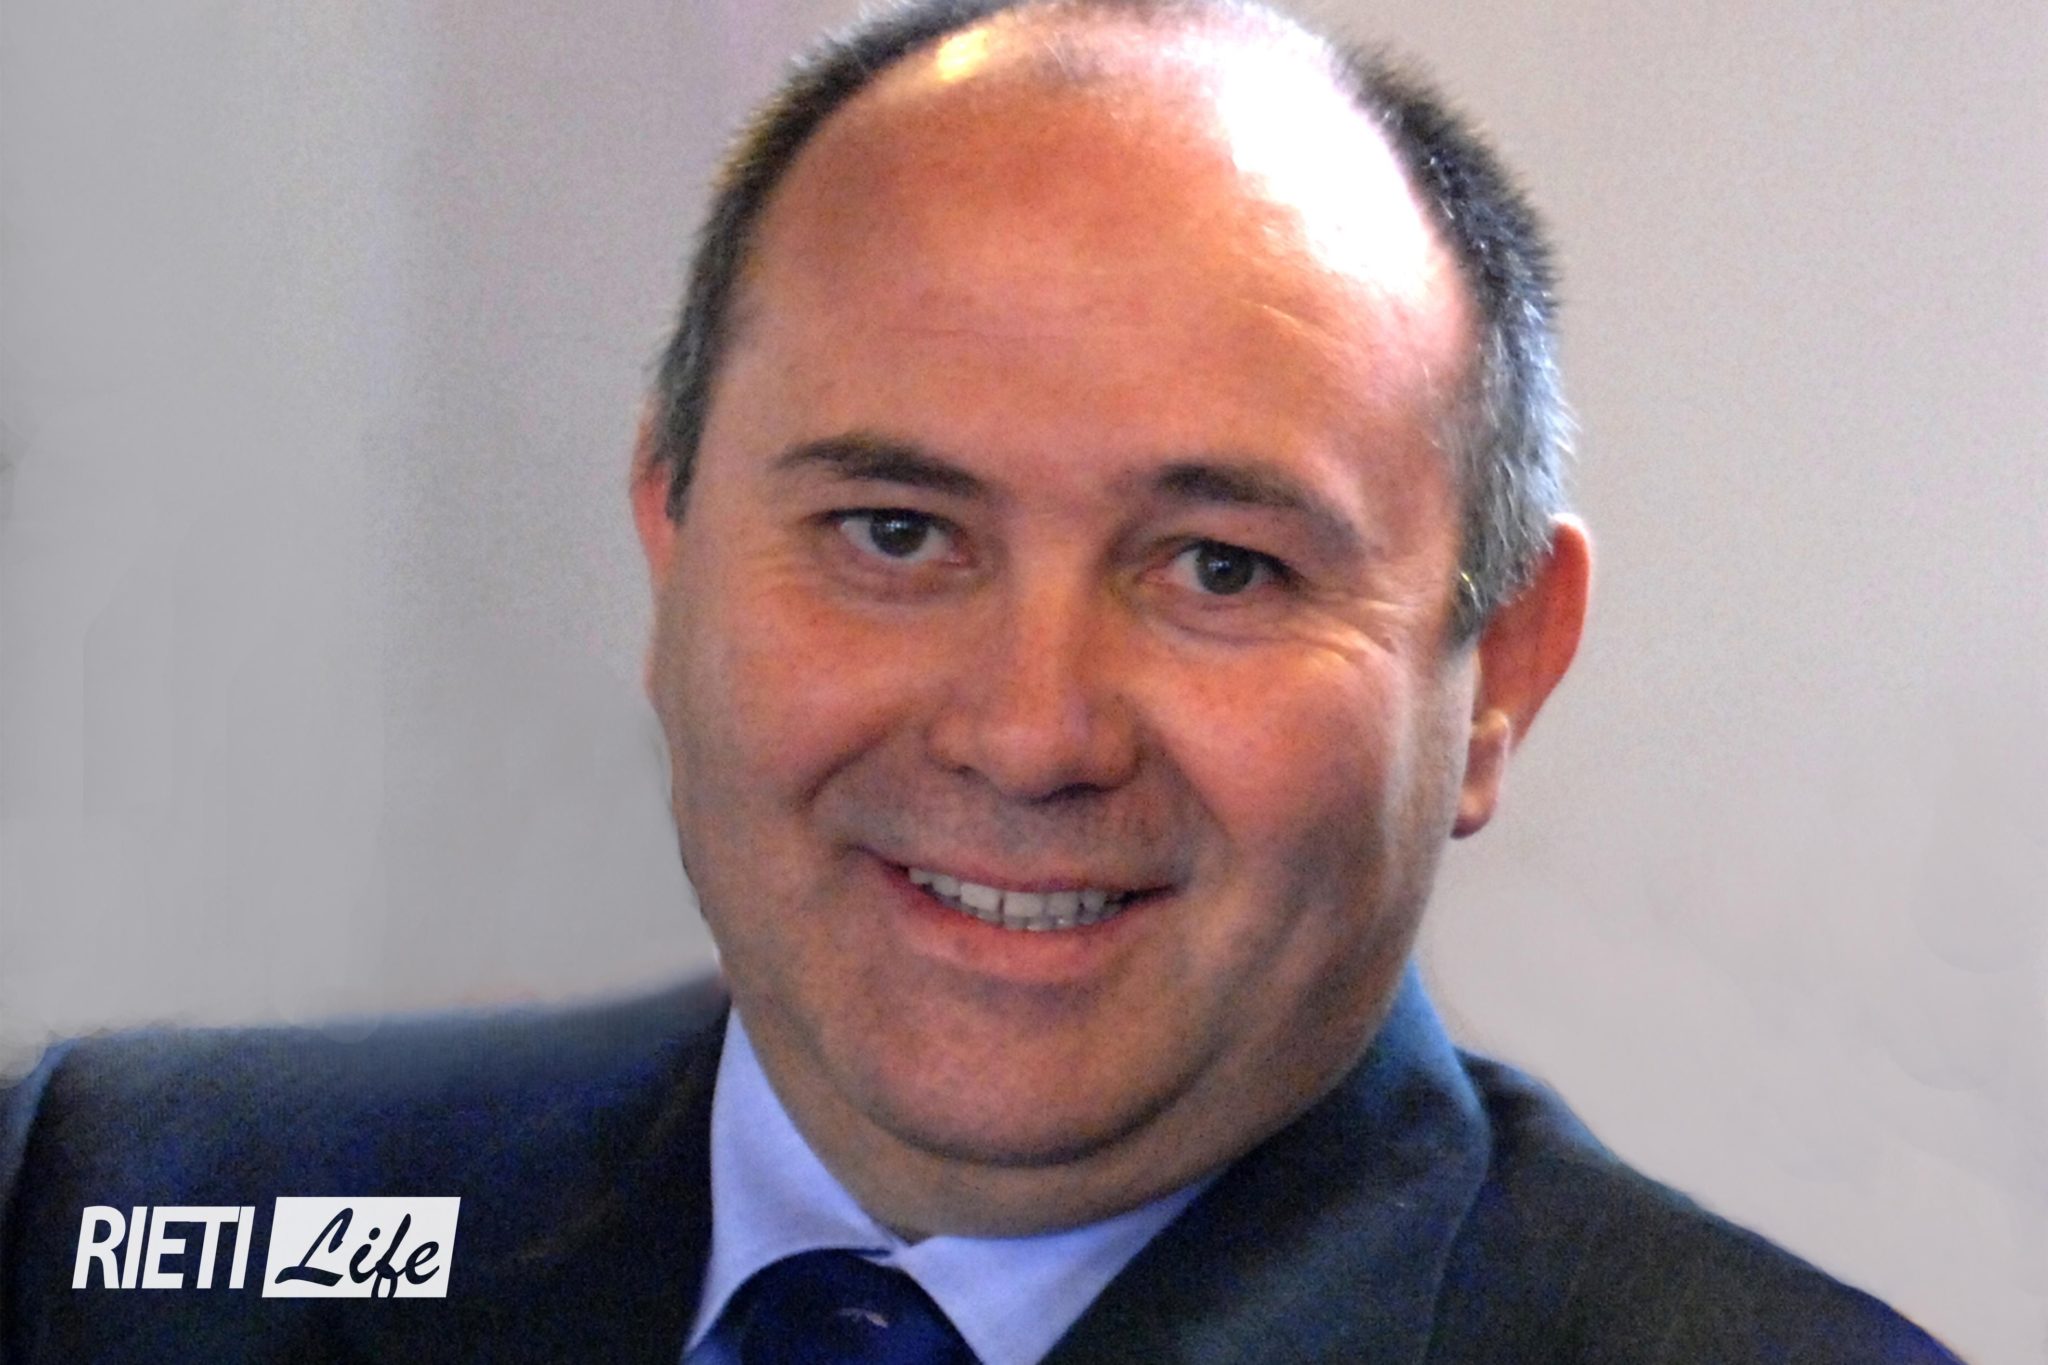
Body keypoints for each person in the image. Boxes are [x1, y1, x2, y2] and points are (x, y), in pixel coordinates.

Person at [0, 1, 1965, 1361]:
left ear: (1502, 665)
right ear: (673, 539)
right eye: (893, 531)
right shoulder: (118, 1215)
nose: (1029, 733)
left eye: (1220, 566)